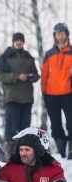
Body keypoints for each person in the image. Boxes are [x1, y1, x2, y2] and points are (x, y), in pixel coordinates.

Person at [0, 32, 40, 156]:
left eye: (21, 40)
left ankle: (24, 155)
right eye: (17, 40)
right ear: (13, 42)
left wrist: (33, 77)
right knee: (11, 130)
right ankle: (10, 155)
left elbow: (35, 73)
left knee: (25, 130)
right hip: (12, 98)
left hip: (27, 98)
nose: (19, 42)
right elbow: (0, 75)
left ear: (23, 42)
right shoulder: (5, 56)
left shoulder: (28, 56)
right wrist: (17, 77)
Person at [42, 23, 72, 158]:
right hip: (51, 94)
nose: (60, 36)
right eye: (57, 34)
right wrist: (44, 91)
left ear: (66, 34)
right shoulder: (49, 54)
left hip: (68, 93)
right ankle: (61, 151)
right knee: (55, 124)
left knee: (71, 122)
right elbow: (44, 74)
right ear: (55, 36)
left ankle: (71, 150)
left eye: (62, 33)